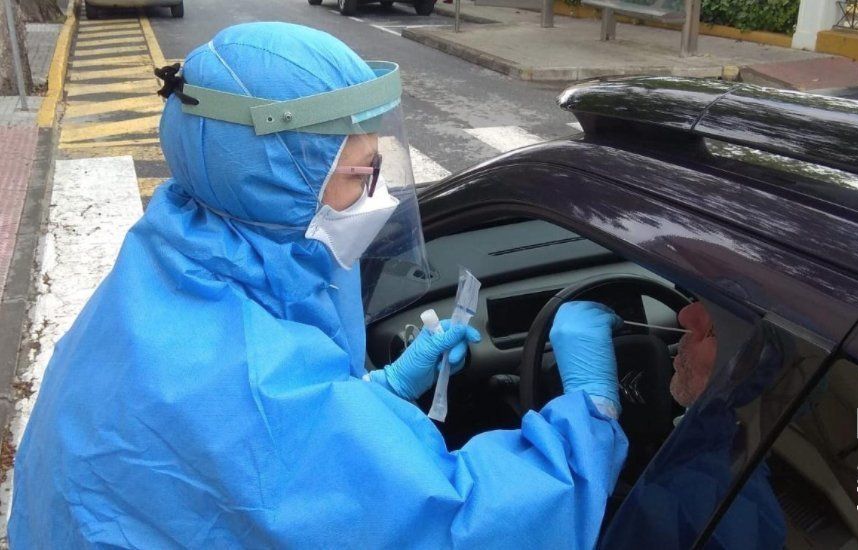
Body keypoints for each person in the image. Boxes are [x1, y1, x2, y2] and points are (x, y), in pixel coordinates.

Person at [8, 23, 627, 548]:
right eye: (361, 173)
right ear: (267, 178)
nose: (377, 197)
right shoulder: (256, 382)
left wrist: (373, 392)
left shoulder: (171, 255)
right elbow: (456, 527)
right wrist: (589, 419)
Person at [601, 300, 787, 549]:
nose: (685, 315)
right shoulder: (734, 447)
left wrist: (588, 421)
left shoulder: (703, 505)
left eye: (717, 328)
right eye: (697, 294)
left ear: (746, 370)